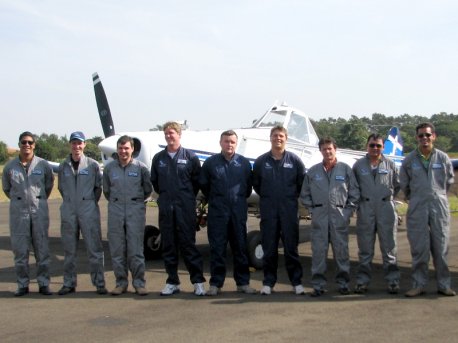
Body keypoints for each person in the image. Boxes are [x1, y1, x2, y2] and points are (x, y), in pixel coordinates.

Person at [151, 122, 206, 296]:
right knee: (169, 246)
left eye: (172, 133)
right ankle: (172, 282)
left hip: (185, 208)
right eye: (166, 133)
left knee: (188, 245)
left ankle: (197, 282)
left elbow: (197, 182)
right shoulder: (158, 158)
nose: (169, 136)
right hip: (167, 208)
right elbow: (155, 183)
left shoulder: (190, 157)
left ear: (179, 135)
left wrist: (185, 197)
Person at [400, 122, 455, 297]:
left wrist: (436, 195)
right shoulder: (409, 160)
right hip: (417, 205)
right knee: (419, 248)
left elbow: (448, 182)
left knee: (441, 247)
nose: (425, 138)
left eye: (428, 135)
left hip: (439, 204)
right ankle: (419, 284)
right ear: (416, 137)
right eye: (421, 135)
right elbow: (404, 184)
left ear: (434, 136)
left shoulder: (443, 158)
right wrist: (417, 197)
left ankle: (444, 285)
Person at [300, 137, 359, 296]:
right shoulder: (313, 172)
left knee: (341, 252)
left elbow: (354, 194)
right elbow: (304, 194)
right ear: (320, 151)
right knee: (318, 253)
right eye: (324, 149)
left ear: (335, 149)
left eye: (330, 148)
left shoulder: (345, 170)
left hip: (339, 217)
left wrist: (347, 212)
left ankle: (343, 284)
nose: (327, 151)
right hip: (320, 218)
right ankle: (318, 285)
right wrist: (312, 210)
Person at [200, 130, 256, 296]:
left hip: (238, 212)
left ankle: (243, 283)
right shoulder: (210, 163)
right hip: (218, 212)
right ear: (220, 143)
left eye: (232, 142)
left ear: (236, 143)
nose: (229, 144)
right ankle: (216, 284)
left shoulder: (244, 163)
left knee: (240, 248)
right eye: (226, 141)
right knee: (217, 249)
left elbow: (247, 188)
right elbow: (204, 185)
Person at [253, 125, 306, 295]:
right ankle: (269, 282)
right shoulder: (261, 161)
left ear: (286, 139)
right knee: (269, 248)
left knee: (291, 248)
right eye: (275, 135)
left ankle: (296, 282)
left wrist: (288, 199)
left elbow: (301, 184)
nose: (278, 138)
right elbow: (257, 185)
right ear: (270, 138)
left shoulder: (295, 161)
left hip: (289, 211)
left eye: (281, 136)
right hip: (269, 211)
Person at [2, 131, 54, 296]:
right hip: (19, 213)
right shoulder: (10, 167)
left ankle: (44, 284)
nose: (27, 145)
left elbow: (49, 185)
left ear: (34, 145)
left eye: (30, 142)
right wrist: (20, 201)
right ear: (19, 144)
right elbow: (7, 189)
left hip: (39, 211)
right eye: (23, 142)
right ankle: (22, 285)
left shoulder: (43, 165)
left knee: (42, 249)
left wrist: (37, 200)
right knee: (20, 251)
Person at [57, 131, 107, 295]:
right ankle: (68, 283)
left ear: (84, 144)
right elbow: (61, 188)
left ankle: (99, 283)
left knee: (95, 249)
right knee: (69, 250)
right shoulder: (63, 165)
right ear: (70, 144)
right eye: (74, 143)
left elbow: (98, 187)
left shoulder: (92, 165)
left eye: (79, 143)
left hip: (88, 210)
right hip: (69, 210)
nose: (76, 146)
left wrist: (88, 202)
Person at [103, 135, 152, 296]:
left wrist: (135, 202)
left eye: (126, 148)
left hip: (135, 210)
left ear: (132, 149)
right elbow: (106, 191)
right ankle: (121, 283)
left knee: (135, 250)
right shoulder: (110, 169)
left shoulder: (141, 168)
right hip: (116, 209)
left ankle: (139, 283)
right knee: (117, 249)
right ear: (117, 150)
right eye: (120, 148)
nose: (123, 151)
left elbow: (147, 189)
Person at [352, 134, 400, 294]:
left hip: (385, 207)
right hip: (366, 208)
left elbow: (397, 185)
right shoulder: (358, 165)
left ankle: (393, 281)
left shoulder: (390, 164)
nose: (375, 148)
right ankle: (362, 281)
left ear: (383, 147)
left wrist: (386, 198)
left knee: (389, 248)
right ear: (367, 146)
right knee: (365, 249)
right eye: (372, 145)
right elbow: (354, 186)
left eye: (378, 146)